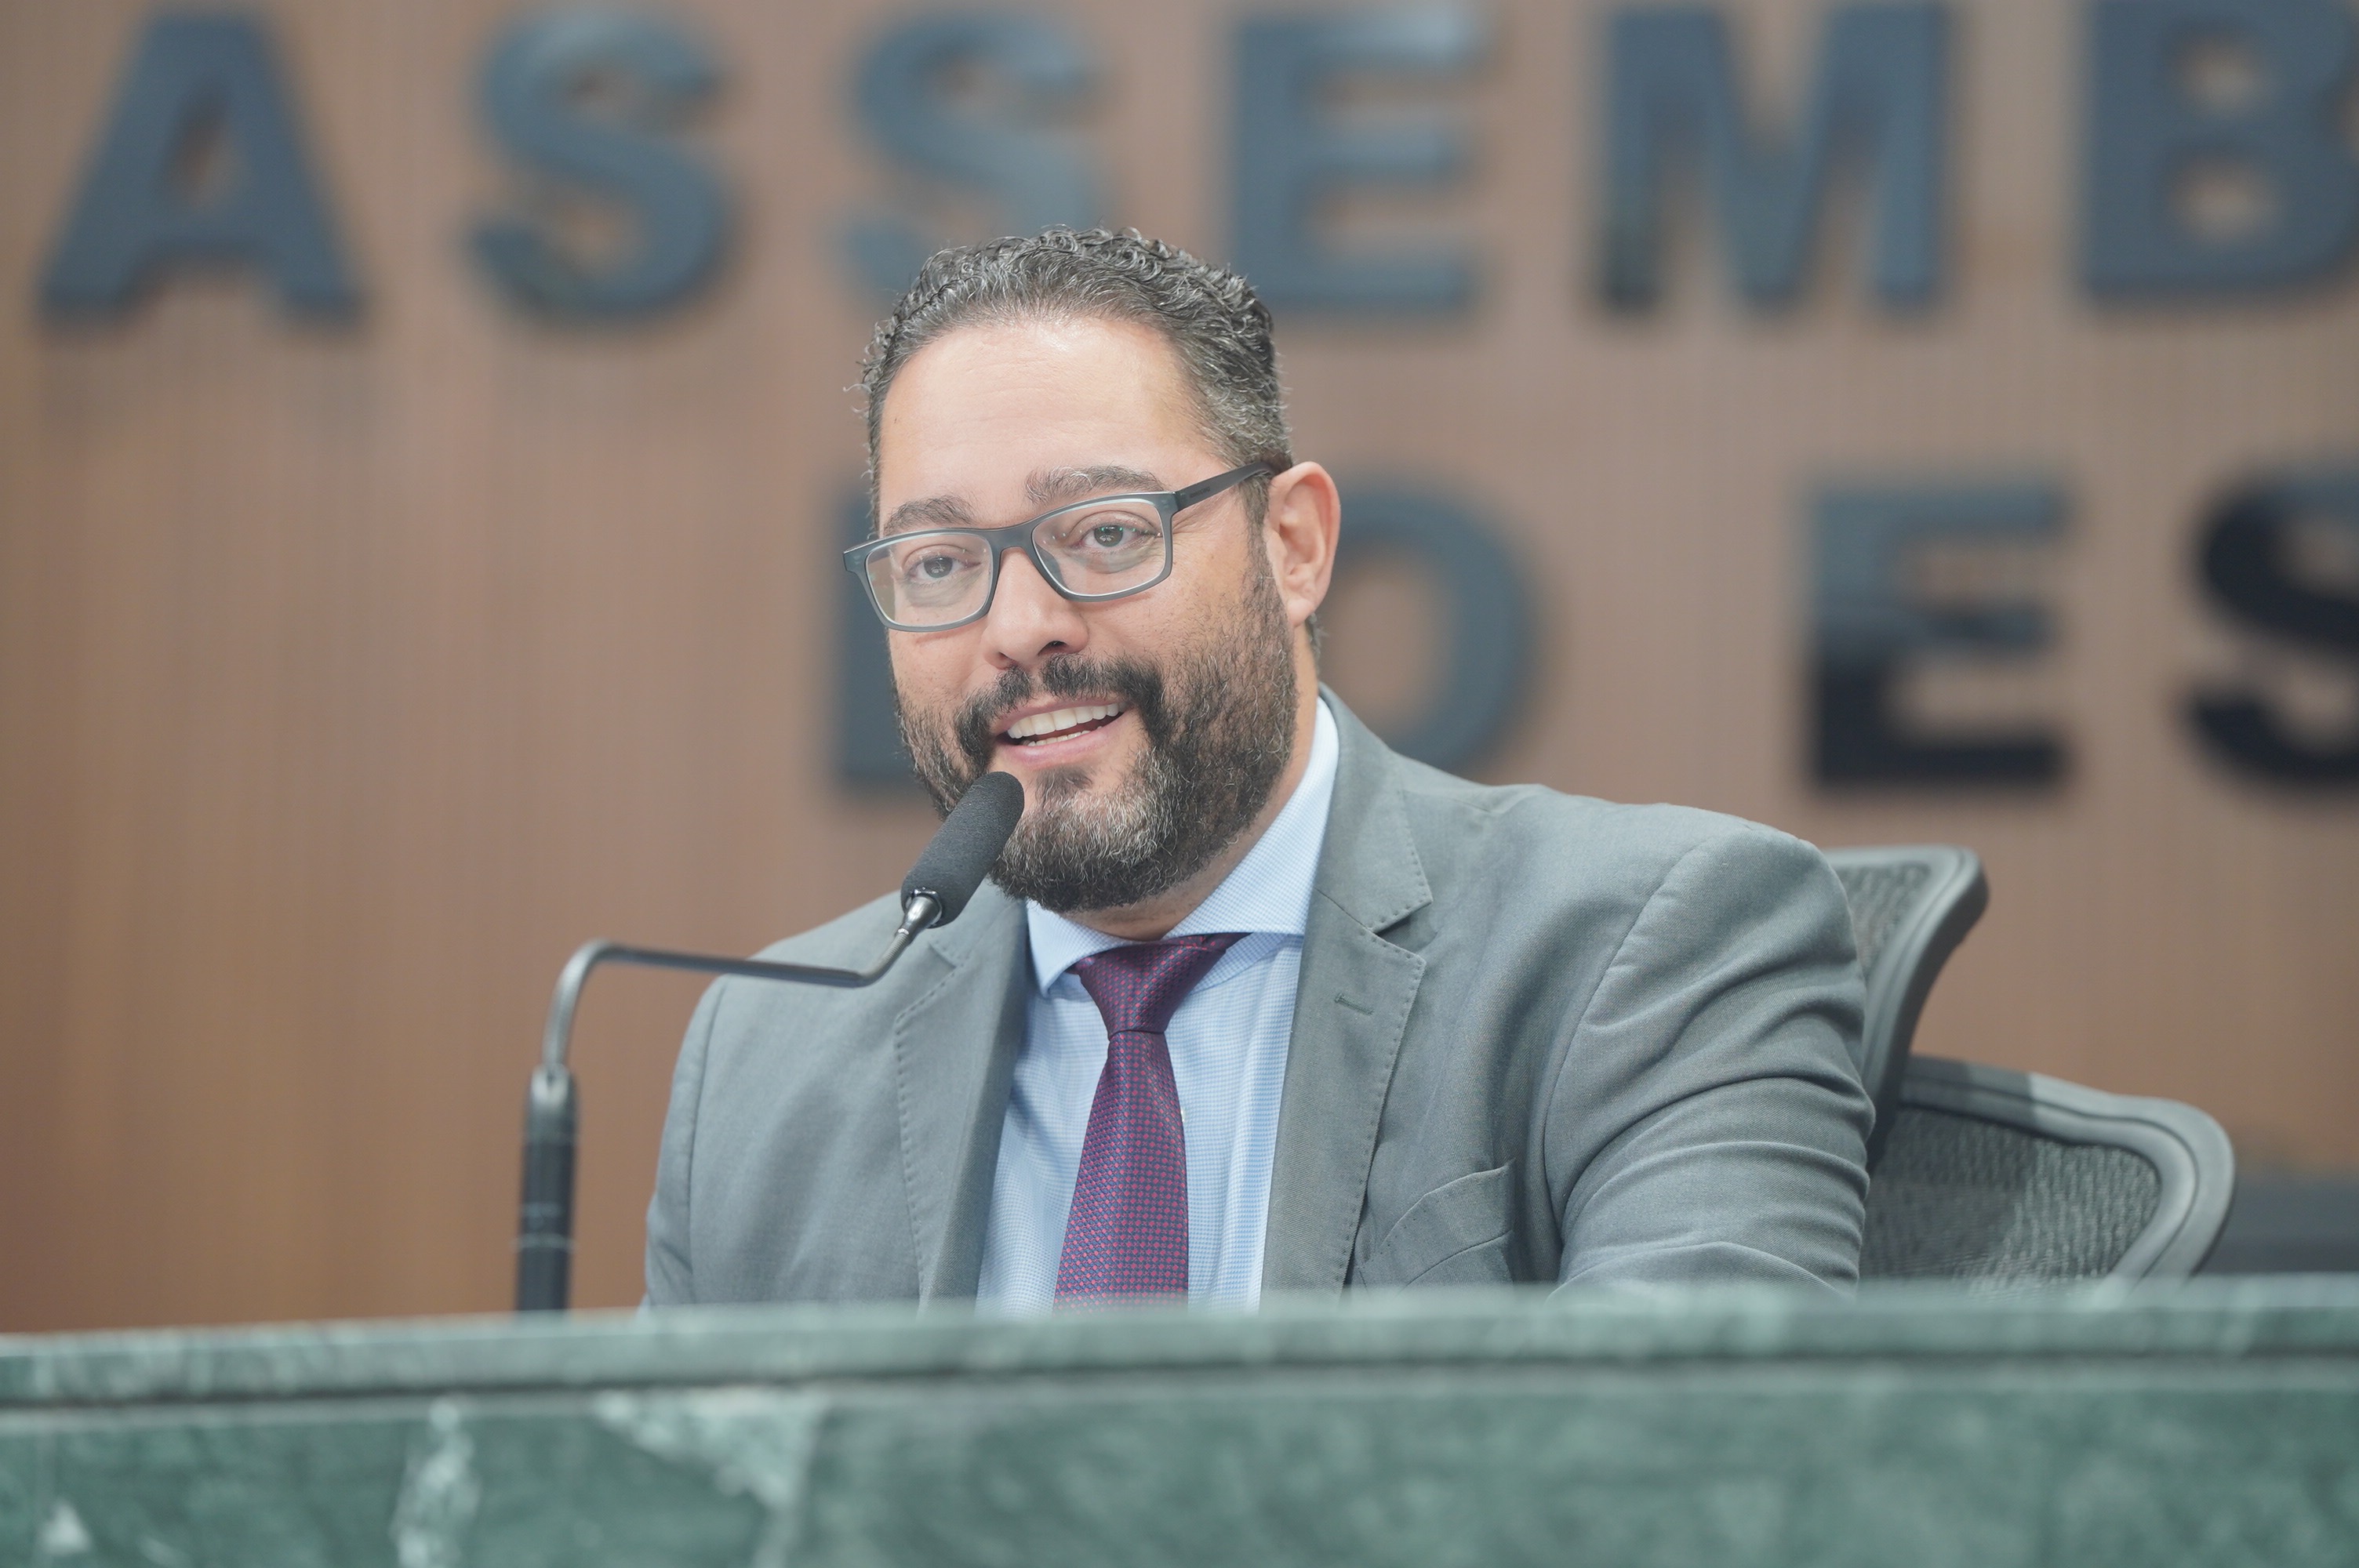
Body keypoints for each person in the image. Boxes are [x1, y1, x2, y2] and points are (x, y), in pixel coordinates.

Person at [644, 228, 1871, 1311]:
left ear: (1294, 545)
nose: (1018, 628)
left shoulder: (1650, 951)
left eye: (1106, 533)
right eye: (939, 563)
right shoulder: (771, 1054)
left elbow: (1698, 1461)